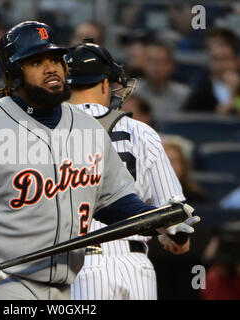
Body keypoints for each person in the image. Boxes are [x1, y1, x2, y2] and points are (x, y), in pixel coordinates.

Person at [0, 21, 198, 300]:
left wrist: (157, 220)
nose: (51, 67)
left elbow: (115, 202)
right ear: (14, 75)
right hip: (0, 282)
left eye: (55, 58)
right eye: (36, 62)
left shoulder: (88, 128)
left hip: (65, 287)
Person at [65, 41, 197, 300]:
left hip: (77, 265)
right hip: (135, 266)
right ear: (105, 83)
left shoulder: (47, 134)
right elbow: (176, 217)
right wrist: (175, 238)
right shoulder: (142, 131)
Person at [184, 28, 240, 115]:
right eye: (215, 59)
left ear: (237, 61)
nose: (221, 65)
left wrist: (234, 95)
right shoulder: (200, 93)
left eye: (225, 58)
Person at [135, 41, 191, 120]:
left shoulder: (184, 94)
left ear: (171, 65)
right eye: (151, 61)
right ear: (144, 64)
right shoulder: (132, 92)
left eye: (161, 62)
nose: (155, 67)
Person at [162, 138, 208, 204]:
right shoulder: (148, 197)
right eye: (167, 161)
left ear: (183, 165)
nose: (172, 166)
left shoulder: (197, 196)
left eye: (175, 161)